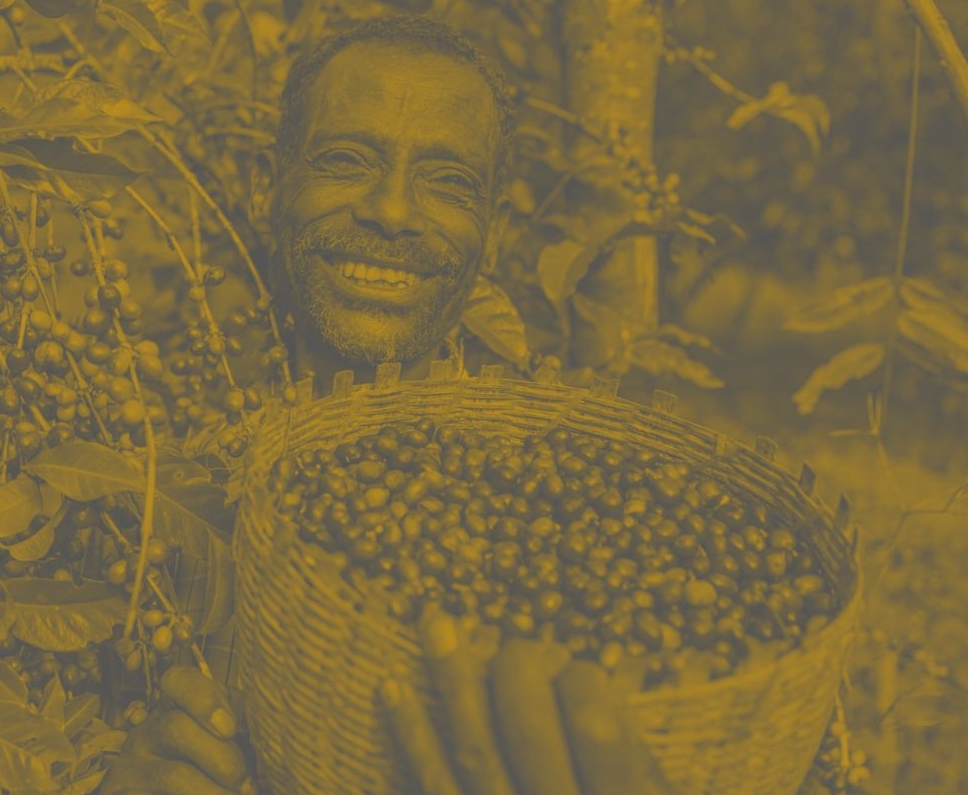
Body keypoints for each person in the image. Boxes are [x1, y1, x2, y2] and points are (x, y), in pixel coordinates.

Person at [102, 16, 805, 795]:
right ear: (277, 185)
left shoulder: (560, 474)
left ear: (494, 230)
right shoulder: (153, 478)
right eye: (346, 160)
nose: (393, 211)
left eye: (447, 180)